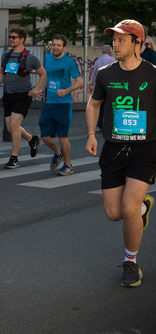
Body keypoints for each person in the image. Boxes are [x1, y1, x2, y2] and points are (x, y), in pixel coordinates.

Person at [86, 19, 155, 287]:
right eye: (114, 40)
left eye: (121, 40)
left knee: (128, 209)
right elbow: (93, 105)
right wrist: (92, 134)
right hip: (113, 149)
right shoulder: (106, 73)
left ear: (138, 43)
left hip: (145, 149)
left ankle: (131, 262)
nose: (115, 44)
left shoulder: (153, 74)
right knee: (114, 213)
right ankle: (143, 207)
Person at [0, 28, 46, 169]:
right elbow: (2, 72)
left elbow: (43, 74)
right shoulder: (6, 55)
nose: (11, 39)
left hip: (23, 95)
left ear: (22, 39)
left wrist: (36, 89)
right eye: (10, 37)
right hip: (8, 94)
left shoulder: (30, 57)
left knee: (14, 125)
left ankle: (14, 157)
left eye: (14, 37)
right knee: (11, 128)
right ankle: (32, 139)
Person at [38, 34, 82, 175]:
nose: (55, 47)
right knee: (45, 136)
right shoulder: (48, 58)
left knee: (63, 137)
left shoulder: (69, 62)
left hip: (63, 104)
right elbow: (46, 77)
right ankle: (58, 153)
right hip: (50, 103)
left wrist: (67, 90)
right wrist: (39, 89)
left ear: (64, 47)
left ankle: (68, 165)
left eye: (58, 45)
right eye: (54, 44)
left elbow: (80, 81)